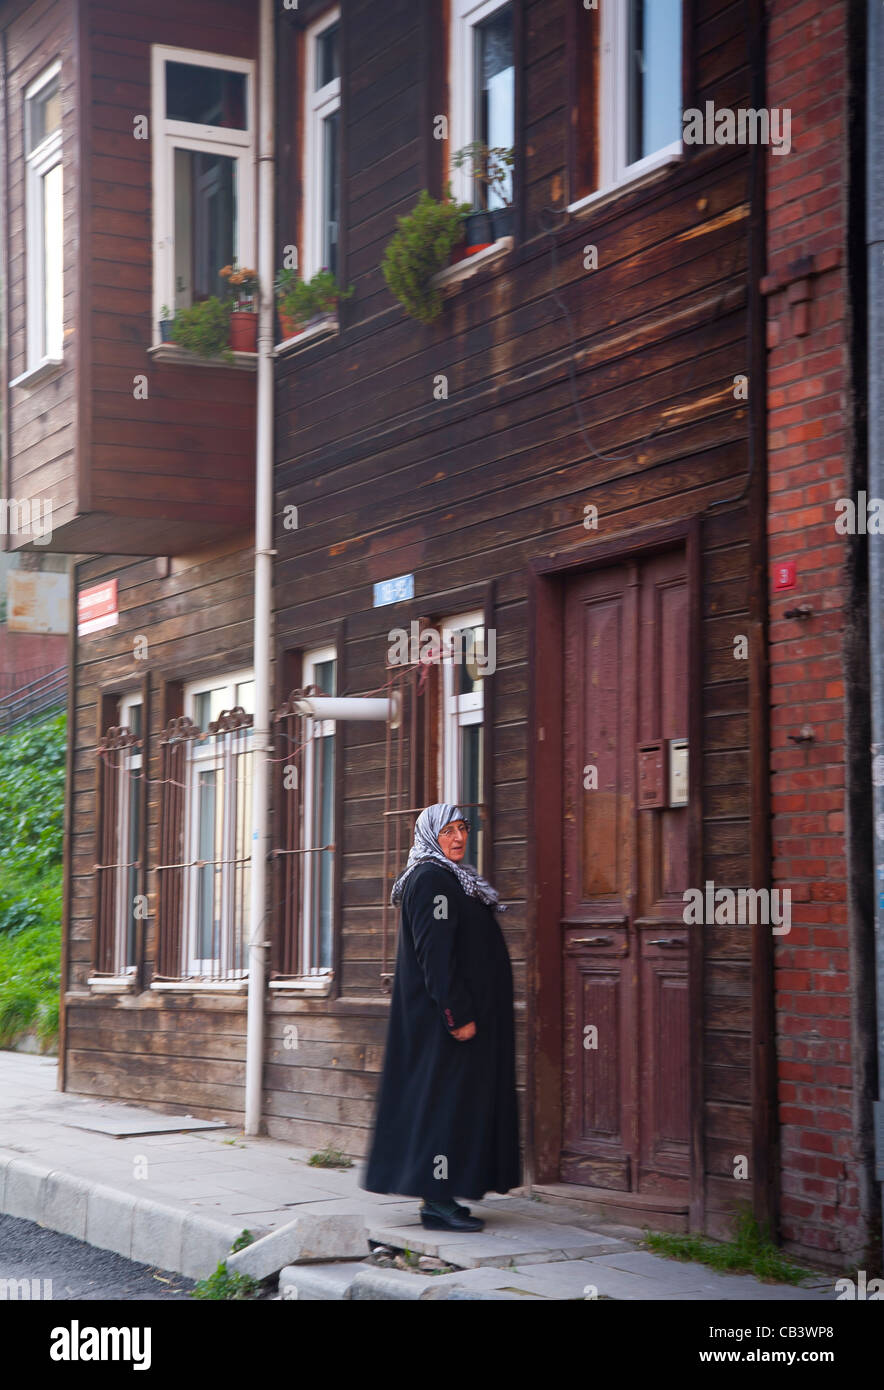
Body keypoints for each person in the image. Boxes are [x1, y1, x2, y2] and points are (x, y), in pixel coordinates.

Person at [361, 802, 520, 1231]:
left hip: (449, 1020)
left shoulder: (450, 879)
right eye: (448, 830)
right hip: (442, 1023)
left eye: (462, 829)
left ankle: (445, 1194)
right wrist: (457, 1013)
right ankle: (436, 1202)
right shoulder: (432, 881)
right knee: (444, 1107)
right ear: (431, 834)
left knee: (453, 1106)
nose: (458, 837)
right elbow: (436, 956)